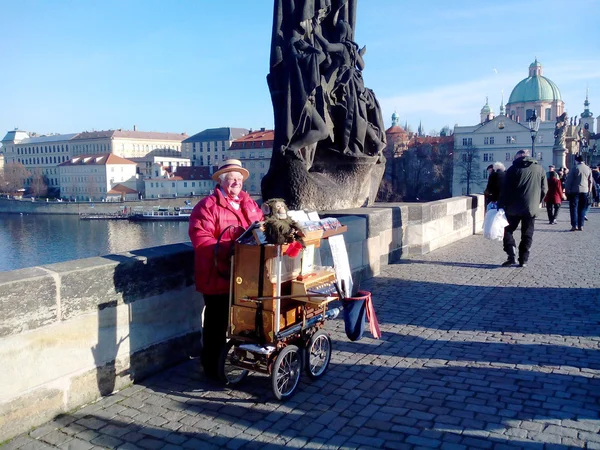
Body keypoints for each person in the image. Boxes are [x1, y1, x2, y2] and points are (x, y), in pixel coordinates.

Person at [188, 159, 263, 379]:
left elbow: (260, 228)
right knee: (216, 323)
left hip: (244, 275)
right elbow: (201, 239)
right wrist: (231, 250)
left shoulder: (249, 203)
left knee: (243, 320)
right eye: (232, 178)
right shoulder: (207, 206)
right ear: (221, 181)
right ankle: (211, 366)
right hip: (217, 275)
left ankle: (235, 359)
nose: (236, 182)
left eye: (239, 179)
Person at [497, 149, 547, 267]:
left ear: (518, 157)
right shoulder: (540, 169)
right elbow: (544, 189)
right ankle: (523, 259)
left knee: (508, 230)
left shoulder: (512, 169)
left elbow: (505, 190)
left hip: (512, 207)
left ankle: (511, 253)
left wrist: (501, 204)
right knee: (527, 233)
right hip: (531, 207)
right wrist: (537, 201)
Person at [564, 154, 592, 231]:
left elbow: (569, 181)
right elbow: (590, 181)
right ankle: (581, 225)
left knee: (574, 208)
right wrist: (589, 190)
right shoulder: (588, 169)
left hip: (575, 191)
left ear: (577, 161)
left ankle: (574, 225)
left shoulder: (575, 168)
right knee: (582, 208)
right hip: (585, 191)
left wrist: (566, 190)